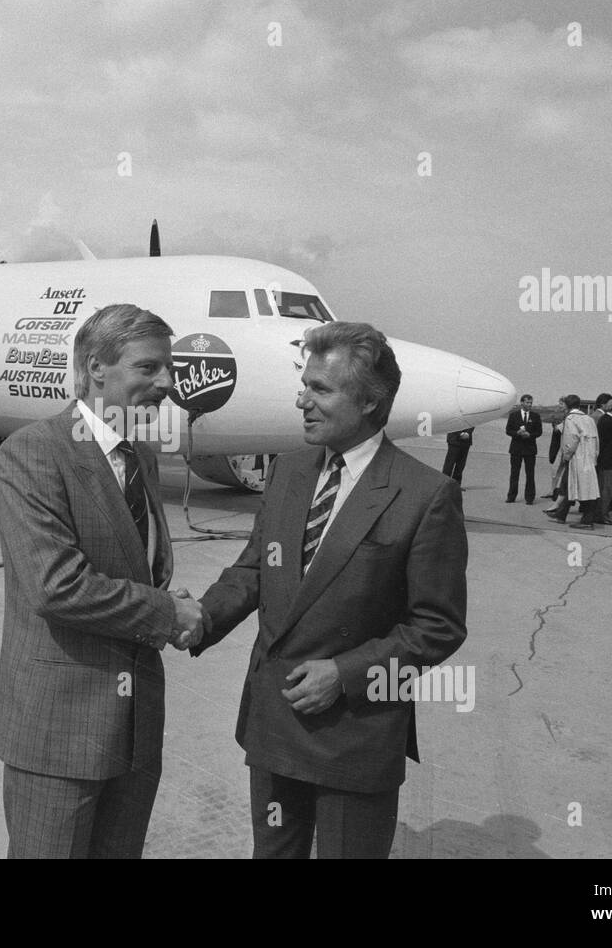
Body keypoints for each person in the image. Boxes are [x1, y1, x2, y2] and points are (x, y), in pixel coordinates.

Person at [191, 321, 468, 859]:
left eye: (320, 389)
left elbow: (438, 626)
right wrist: (199, 617)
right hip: (274, 723)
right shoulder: (288, 472)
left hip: (354, 735)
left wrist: (344, 675)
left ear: (369, 400)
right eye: (305, 385)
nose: (302, 400)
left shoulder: (425, 495)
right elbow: (255, 570)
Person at [0, 303, 206, 858]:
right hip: (58, 731)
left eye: (169, 369)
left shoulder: (144, 456)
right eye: (149, 368)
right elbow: (56, 586)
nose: (166, 384)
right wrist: (166, 612)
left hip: (134, 728)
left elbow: (137, 568)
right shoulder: (34, 453)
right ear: (95, 368)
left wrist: (163, 599)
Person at [545, 395, 600, 528]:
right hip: (589, 458)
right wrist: (594, 456)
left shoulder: (571, 419)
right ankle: (561, 514)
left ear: (567, 406)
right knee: (572, 485)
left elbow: (571, 440)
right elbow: (596, 440)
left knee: (582, 488)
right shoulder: (589, 419)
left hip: (577, 458)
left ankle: (587, 521)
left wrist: (566, 456)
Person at [505, 394, 542, 503]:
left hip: (530, 449)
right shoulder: (513, 415)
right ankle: (511, 496)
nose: (529, 405)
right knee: (514, 474)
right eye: (527, 402)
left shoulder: (535, 416)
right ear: (522, 403)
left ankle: (530, 498)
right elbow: (508, 430)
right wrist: (517, 433)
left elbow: (539, 432)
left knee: (530, 474)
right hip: (516, 449)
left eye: (531, 403)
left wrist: (529, 435)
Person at [593, 393, 612, 525]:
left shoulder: (609, 420)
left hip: (609, 462)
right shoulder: (606, 421)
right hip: (607, 463)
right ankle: (602, 515)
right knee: (606, 489)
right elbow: (602, 443)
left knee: (606, 488)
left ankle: (601, 513)